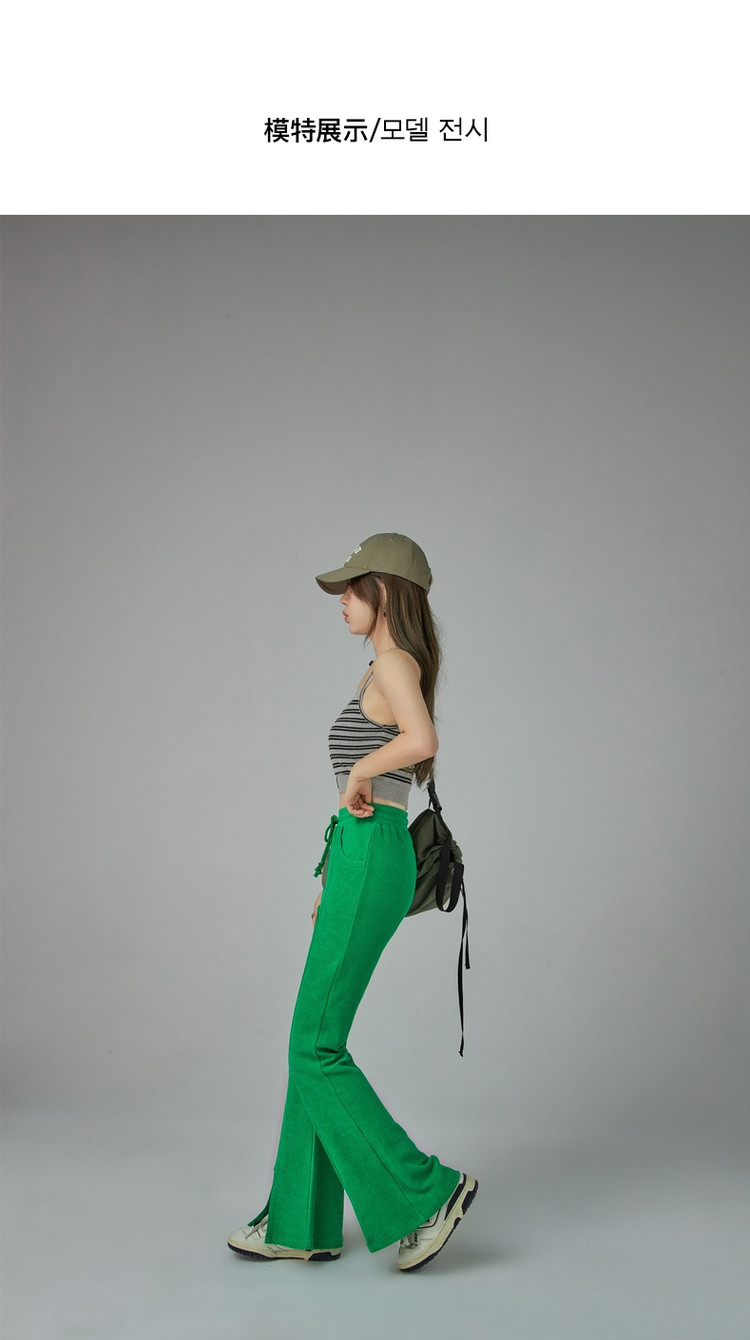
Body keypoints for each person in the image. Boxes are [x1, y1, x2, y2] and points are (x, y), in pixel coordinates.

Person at [227, 533, 477, 1272]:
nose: (341, 599)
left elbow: (422, 739)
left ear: (386, 592)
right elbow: (381, 782)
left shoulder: (395, 664)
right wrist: (332, 878)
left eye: (352, 587)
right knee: (317, 1039)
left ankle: (425, 1192)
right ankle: (299, 1222)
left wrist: (362, 769)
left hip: (372, 854)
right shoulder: (384, 665)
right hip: (360, 858)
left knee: (314, 1045)